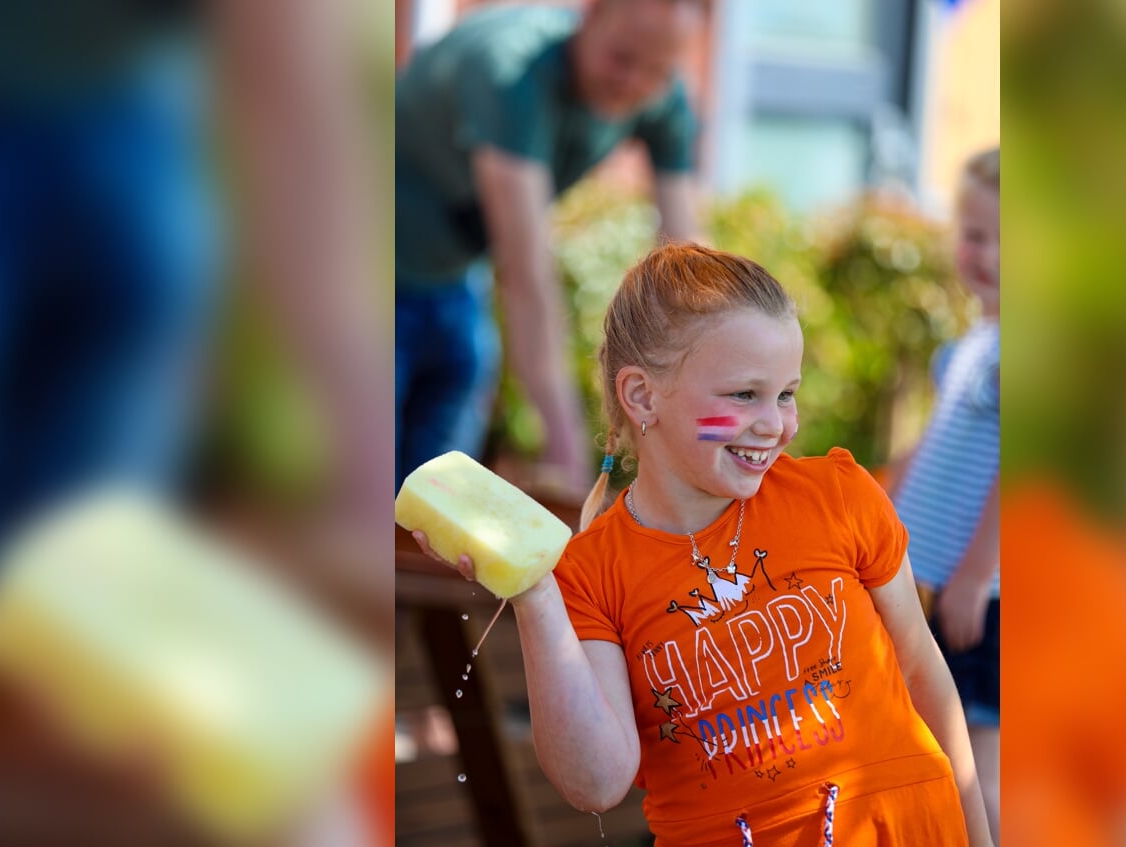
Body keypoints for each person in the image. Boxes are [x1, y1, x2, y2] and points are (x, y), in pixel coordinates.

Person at [416, 243, 992, 845]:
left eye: (786, 393)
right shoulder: (588, 574)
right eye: (744, 395)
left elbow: (924, 671)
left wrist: (981, 838)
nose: (775, 423)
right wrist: (534, 595)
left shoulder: (836, 495)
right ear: (642, 396)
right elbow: (595, 784)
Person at [394, 0, 705, 493]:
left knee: (432, 504)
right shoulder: (511, 72)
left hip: (451, 277)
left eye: (656, 70)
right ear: (590, 18)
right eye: (622, 59)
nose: (634, 84)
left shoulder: (662, 95)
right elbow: (527, 278)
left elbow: (694, 278)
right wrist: (571, 462)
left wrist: (701, 437)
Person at [890, 147, 1001, 841]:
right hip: (926, 583)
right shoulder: (970, 344)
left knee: (976, 766)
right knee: (928, 750)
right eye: (973, 232)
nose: (981, 252)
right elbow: (932, 449)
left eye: (1002, 239)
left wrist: (975, 576)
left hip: (977, 599)